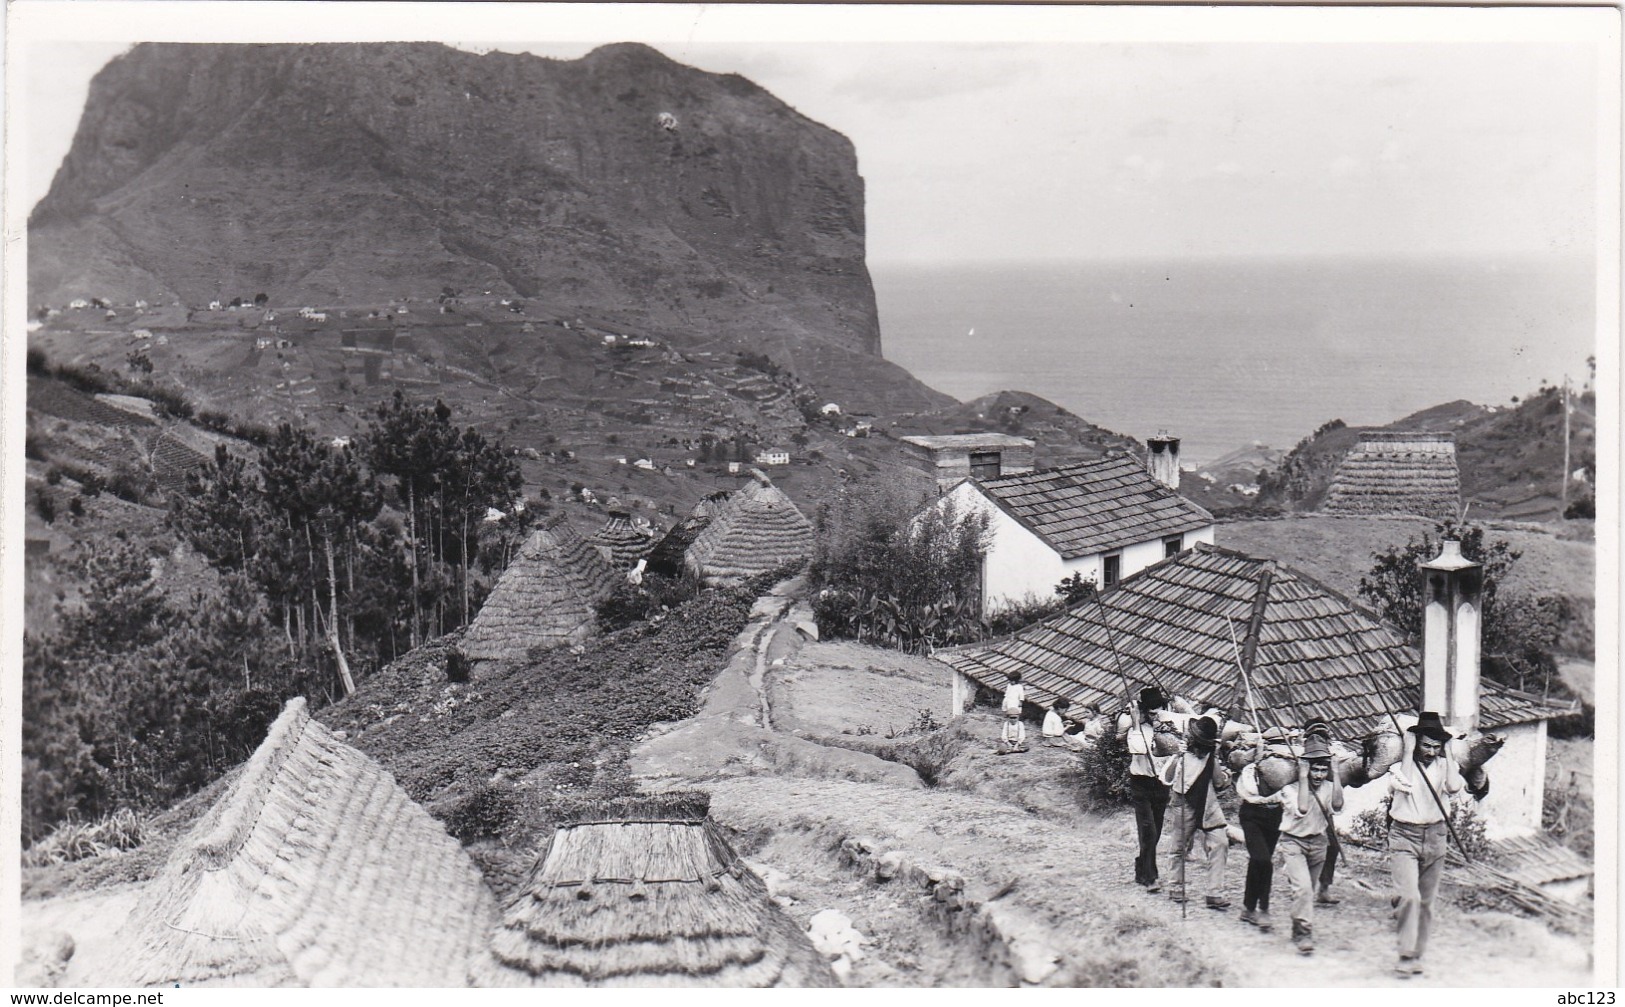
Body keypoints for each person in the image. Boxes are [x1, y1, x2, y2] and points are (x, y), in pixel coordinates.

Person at [1377, 711, 1465, 977]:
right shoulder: (1398, 768)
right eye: (1426, 745)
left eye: (1436, 746)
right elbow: (1403, 785)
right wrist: (1407, 752)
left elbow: (1452, 787)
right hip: (1405, 836)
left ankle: (1416, 953)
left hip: (1436, 836)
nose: (1430, 751)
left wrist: (1448, 754)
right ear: (1416, 743)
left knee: (1426, 901)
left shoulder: (1446, 766)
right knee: (1409, 896)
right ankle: (1404, 955)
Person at [1277, 735, 1345, 954]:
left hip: (1318, 843)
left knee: (1308, 890)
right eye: (1314, 770)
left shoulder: (1328, 786)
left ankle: (1298, 925)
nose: (1318, 775)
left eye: (1322, 770)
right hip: (1293, 842)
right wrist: (1304, 777)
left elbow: (1337, 804)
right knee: (1304, 888)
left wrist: (1335, 774)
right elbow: (1303, 807)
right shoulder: (1290, 788)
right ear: (1305, 768)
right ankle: (1305, 933)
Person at [1160, 715, 1232, 909]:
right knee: (1179, 846)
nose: (1202, 748)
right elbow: (1166, 778)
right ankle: (1176, 886)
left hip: (1208, 806)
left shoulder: (1211, 757)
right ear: (1192, 740)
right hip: (1184, 803)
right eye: (1199, 743)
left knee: (1221, 843)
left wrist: (1227, 776)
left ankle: (1214, 893)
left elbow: (1219, 783)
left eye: (1205, 744)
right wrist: (1177, 757)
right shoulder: (1182, 755)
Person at [1235, 732, 1287, 932]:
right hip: (1252, 815)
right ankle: (1263, 908)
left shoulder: (1288, 772)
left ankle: (1248, 908)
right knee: (1263, 860)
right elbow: (1252, 792)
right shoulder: (1251, 770)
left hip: (1274, 816)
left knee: (1258, 860)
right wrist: (1263, 771)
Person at [1123, 686, 1172, 891]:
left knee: (1157, 831)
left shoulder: (1169, 729)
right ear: (1143, 712)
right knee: (1148, 830)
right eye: (1151, 713)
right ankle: (1151, 877)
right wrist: (1135, 722)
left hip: (1161, 785)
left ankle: (1141, 866)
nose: (1156, 716)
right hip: (1141, 784)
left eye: (1159, 711)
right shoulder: (1137, 730)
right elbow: (1136, 748)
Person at [1302, 717, 1342, 905]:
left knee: (1332, 845)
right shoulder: (1305, 747)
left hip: (1323, 807)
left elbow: (1333, 780)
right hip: (1304, 803)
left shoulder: (1328, 751)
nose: (1319, 736)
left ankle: (1324, 888)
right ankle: (1302, 883)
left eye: (1322, 733)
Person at [1000, 671, 1027, 751]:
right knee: (1002, 747)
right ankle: (1009, 748)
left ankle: (1016, 748)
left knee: (1024, 747)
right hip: (1009, 702)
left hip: (1015, 702)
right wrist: (1004, 705)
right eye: (1010, 681)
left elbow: (1021, 697)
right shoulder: (1009, 686)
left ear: (1016, 680)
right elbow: (1007, 695)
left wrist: (1020, 703)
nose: (1011, 682)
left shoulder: (1019, 687)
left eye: (1012, 681)